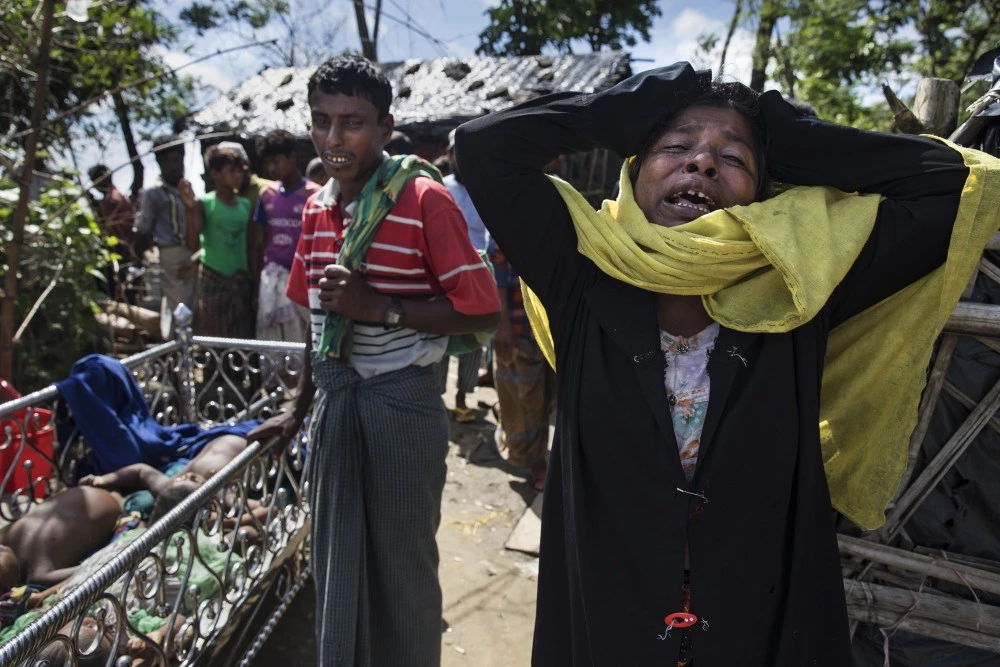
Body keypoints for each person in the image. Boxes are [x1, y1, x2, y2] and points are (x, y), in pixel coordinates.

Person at [455, 62, 1000, 666]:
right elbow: (484, 148)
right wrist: (610, 114)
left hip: (756, 621)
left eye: (733, 158)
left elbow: (951, 188)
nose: (703, 163)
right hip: (609, 615)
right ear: (634, 170)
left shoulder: (801, 287)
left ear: (765, 191)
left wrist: (791, 142)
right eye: (676, 146)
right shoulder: (580, 273)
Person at [249, 54, 500, 667]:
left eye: (353, 122)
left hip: (402, 409)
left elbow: (483, 312)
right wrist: (297, 409)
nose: (335, 139)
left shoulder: (425, 201)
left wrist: (381, 308)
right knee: (338, 562)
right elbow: (316, 324)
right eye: (322, 121)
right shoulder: (316, 208)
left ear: (385, 128)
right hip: (339, 407)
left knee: (403, 568)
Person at [487, 161, 560, 491]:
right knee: (522, 396)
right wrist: (502, 323)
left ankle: (537, 453)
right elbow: (498, 272)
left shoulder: (557, 196)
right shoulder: (505, 204)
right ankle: (533, 460)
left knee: (546, 395)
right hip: (516, 322)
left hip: (552, 323)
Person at [434, 128, 490, 422]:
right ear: (449, 154)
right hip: (444, 277)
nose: (461, 155)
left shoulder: (488, 188)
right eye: (456, 150)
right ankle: (439, 398)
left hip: (480, 275)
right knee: (441, 339)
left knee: (473, 340)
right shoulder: (438, 188)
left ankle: (462, 398)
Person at [253, 130, 320, 344]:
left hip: (303, 280)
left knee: (303, 340)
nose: (272, 168)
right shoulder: (267, 194)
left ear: (292, 157)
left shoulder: (315, 195)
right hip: (272, 278)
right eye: (268, 163)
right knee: (272, 339)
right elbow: (261, 238)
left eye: (276, 161)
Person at [185, 145, 254, 338]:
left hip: (240, 279)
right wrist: (189, 210)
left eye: (240, 171)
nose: (237, 176)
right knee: (216, 334)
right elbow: (192, 243)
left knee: (242, 334)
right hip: (214, 278)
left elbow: (248, 245)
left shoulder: (245, 205)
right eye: (232, 171)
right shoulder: (206, 203)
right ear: (215, 174)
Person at [134, 135, 196, 335]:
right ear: (160, 163)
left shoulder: (185, 189)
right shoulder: (153, 193)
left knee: (191, 301)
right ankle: (176, 346)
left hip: (191, 251)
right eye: (168, 161)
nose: (174, 166)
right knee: (178, 303)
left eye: (177, 160)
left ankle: (181, 342)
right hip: (170, 253)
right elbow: (143, 227)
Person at [0, 486, 125, 586]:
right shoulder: (7, 537)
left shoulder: (39, 574)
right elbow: (90, 568)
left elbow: (90, 569)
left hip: (108, 503)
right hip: (86, 494)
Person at [88, 164, 138, 303]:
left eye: (94, 180)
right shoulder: (115, 196)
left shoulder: (112, 199)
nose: (93, 185)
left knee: (117, 288)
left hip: (117, 249)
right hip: (122, 248)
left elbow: (112, 227)